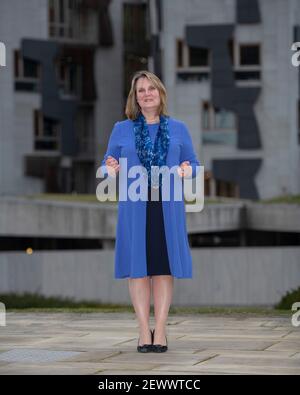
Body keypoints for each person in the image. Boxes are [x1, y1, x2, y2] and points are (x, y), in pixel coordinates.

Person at [101, 70, 200, 353]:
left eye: (151, 89)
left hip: (167, 207)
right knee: (138, 270)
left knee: (163, 268)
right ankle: (144, 330)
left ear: (160, 94)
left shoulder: (178, 128)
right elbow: (107, 161)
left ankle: (162, 331)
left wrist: (186, 170)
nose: (146, 94)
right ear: (135, 97)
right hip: (135, 207)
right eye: (141, 90)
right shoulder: (122, 129)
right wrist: (109, 167)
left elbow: (193, 164)